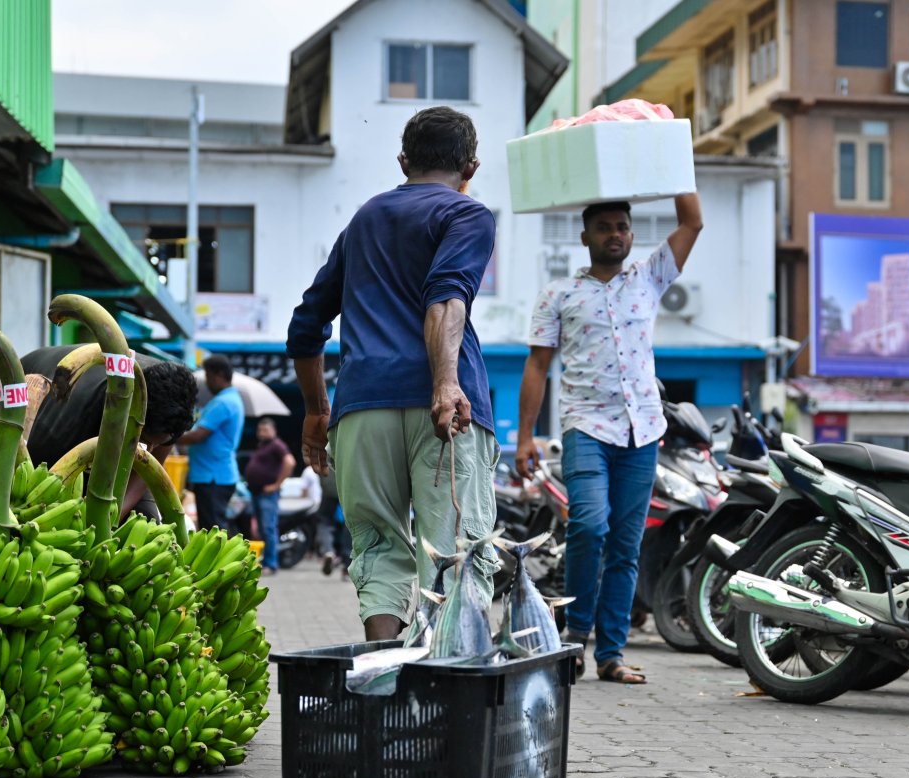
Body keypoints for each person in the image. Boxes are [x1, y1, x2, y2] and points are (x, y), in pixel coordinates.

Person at [287, 106, 501, 641]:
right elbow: (446, 297)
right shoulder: (466, 215)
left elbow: (307, 322)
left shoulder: (365, 219)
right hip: (444, 411)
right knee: (455, 553)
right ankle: (450, 692)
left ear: (403, 160)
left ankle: (386, 683)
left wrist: (316, 410)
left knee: (379, 548)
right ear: (471, 165)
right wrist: (446, 382)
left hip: (363, 409)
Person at [515, 193, 703, 684]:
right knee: (590, 527)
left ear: (631, 235)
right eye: (604, 227)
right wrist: (525, 438)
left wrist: (674, 159)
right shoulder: (558, 294)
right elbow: (537, 366)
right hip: (586, 429)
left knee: (625, 544)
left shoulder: (650, 278)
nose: (614, 233)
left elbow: (693, 221)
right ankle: (575, 637)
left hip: (643, 431)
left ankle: (611, 655)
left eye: (622, 226)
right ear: (585, 237)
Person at [0, 345, 198, 520]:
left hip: (114, 422)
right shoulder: (59, 425)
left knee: (144, 523)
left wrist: (108, 520)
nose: (149, 450)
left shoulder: (170, 402)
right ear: (128, 415)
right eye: (143, 441)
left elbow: (149, 468)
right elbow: (31, 494)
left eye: (157, 444)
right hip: (23, 403)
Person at [178, 355, 245, 530]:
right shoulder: (231, 399)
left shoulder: (223, 402)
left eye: (208, 377)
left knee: (212, 530)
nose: (207, 382)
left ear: (219, 375)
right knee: (213, 527)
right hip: (216, 474)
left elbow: (198, 435)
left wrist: (168, 436)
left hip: (212, 476)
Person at [244, 417, 295, 574]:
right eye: (260, 429)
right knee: (262, 529)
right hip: (257, 493)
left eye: (265, 429)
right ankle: (266, 561)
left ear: (274, 430)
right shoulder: (263, 446)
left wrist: (276, 485)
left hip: (268, 494)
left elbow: (290, 462)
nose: (261, 432)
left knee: (268, 528)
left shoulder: (277, 445)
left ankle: (271, 564)